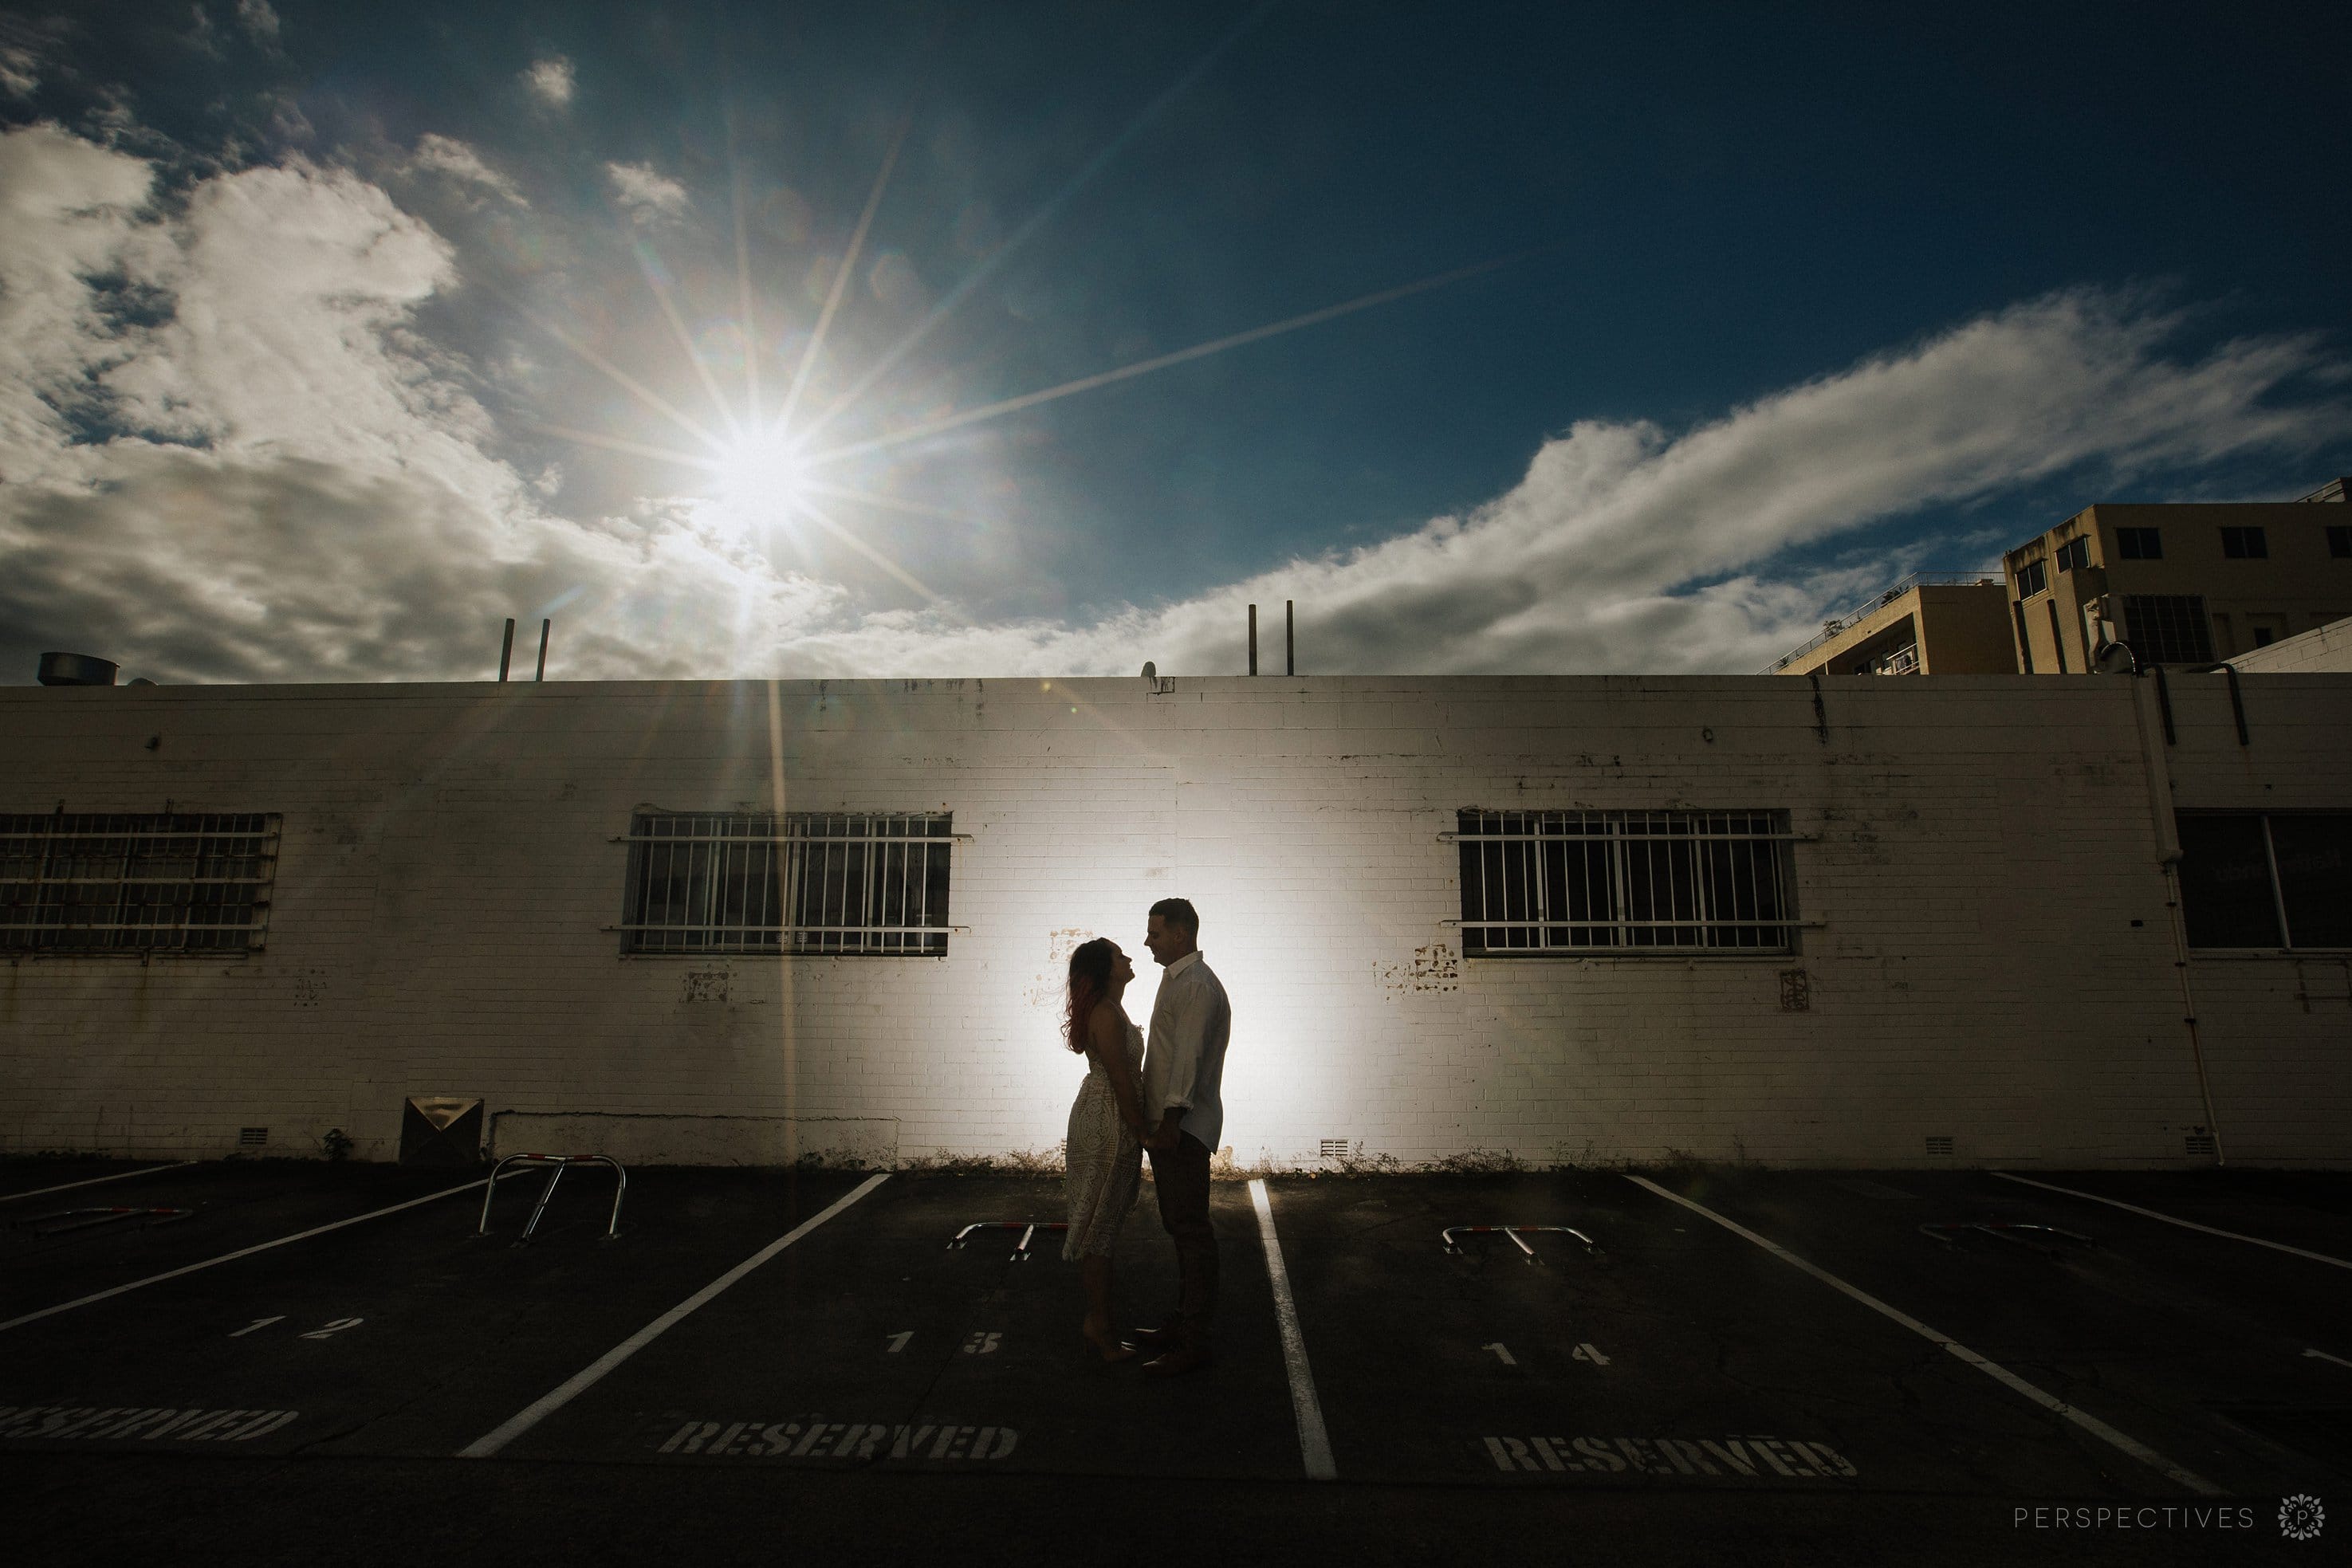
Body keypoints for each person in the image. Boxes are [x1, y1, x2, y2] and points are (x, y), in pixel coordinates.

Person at [1131, 897, 1231, 1377]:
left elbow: (1187, 1060)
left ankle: (1194, 1342)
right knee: (1182, 1230)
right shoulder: (1178, 980)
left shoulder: (1195, 986)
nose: (1147, 942)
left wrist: (1169, 1124)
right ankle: (1183, 1327)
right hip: (1175, 1127)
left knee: (1191, 1233)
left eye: (1155, 933)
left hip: (1183, 1129)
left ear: (1180, 934)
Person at [1060, 936, 1149, 1362]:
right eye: (1118, 955)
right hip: (1106, 1124)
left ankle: (1100, 1323)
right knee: (1099, 1229)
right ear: (1104, 968)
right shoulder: (1107, 1013)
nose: (1128, 957)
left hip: (1105, 1117)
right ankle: (1100, 1326)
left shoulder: (1111, 1008)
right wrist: (1144, 1132)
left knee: (1103, 1226)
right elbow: (1120, 1079)